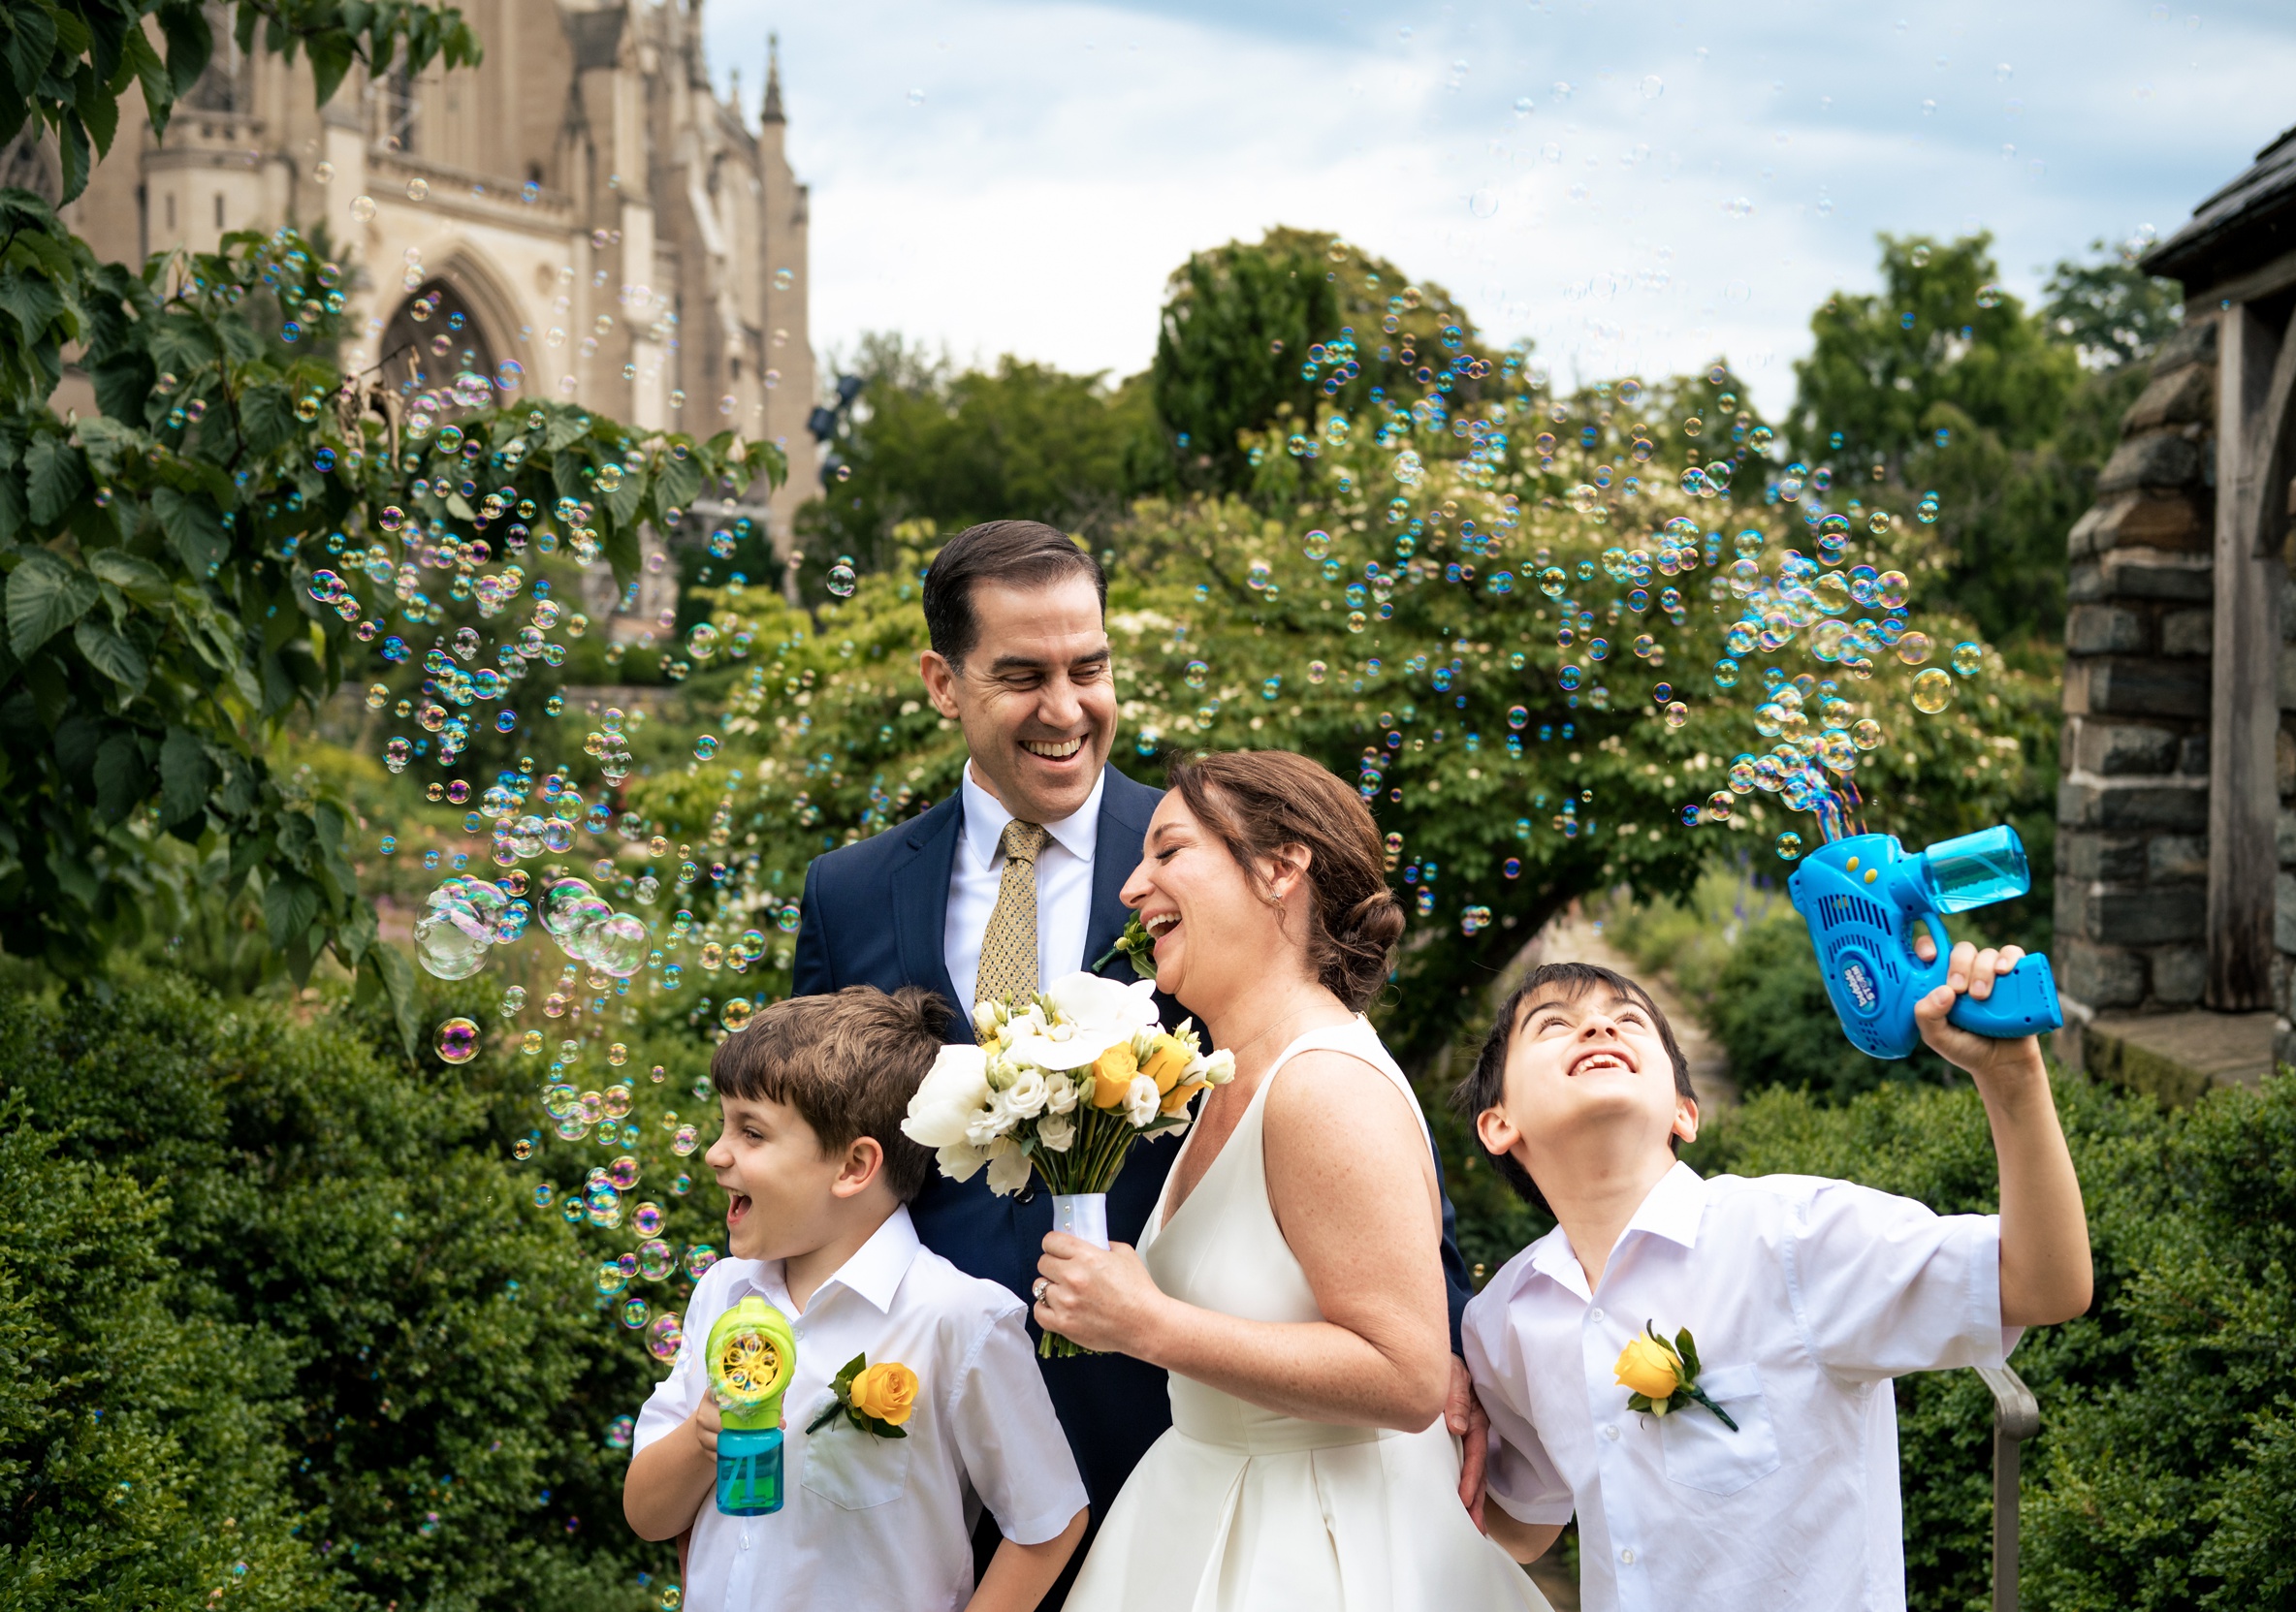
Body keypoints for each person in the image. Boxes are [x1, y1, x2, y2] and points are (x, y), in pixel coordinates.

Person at [787, 521, 1485, 1595]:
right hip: (910, 1412)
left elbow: (1353, 1110)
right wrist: (753, 1366)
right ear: (943, 680)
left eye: (1089, 667)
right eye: (1021, 674)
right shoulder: (849, 889)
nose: (1066, 709)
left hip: (1168, 1418)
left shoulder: (1207, 863)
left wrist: (1439, 1343)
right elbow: (805, 1141)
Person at [1034, 750, 1552, 1612]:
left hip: (1321, 1546)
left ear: (1280, 869)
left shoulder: (1324, 1084)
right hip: (1205, 1504)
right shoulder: (1227, 1077)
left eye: (1168, 851)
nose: (1132, 886)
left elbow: (1407, 1374)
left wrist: (1148, 1321)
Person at [1451, 956, 2094, 1612]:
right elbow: (1526, 1524)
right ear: (1499, 1124)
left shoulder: (1795, 1236)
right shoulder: (1504, 1318)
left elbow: (2043, 1284)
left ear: (1684, 1111)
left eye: (1628, 1018)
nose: (1597, 1028)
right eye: (1554, 1022)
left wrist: (2013, 1080)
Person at [623, 986, 1090, 1612]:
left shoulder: (956, 1318)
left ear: (853, 1166)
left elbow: (1050, 1520)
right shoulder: (724, 1291)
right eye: (723, 1124)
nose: (716, 1152)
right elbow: (649, 1515)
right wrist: (699, 1438)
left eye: (751, 1131)